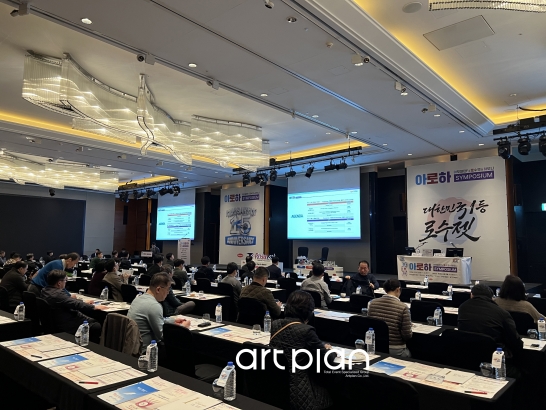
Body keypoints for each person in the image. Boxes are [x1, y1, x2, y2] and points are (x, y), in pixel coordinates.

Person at [270, 291, 333, 410]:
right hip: (300, 391)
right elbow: (327, 359)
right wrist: (329, 350)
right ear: (309, 312)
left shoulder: (275, 325)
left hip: (277, 385)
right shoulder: (307, 331)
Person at [128, 272, 190, 353]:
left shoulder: (138, 298)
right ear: (158, 289)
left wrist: (173, 321)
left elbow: (155, 320)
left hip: (133, 347)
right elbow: (164, 336)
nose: (168, 293)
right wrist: (183, 328)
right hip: (147, 351)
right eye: (168, 289)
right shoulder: (154, 305)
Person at [458, 284, 523, 358]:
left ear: (471, 295)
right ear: (492, 298)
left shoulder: (463, 307)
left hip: (466, 351)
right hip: (494, 355)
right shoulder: (501, 313)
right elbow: (514, 339)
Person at [41, 269, 106, 343]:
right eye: (65, 280)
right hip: (66, 323)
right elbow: (75, 304)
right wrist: (94, 307)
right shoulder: (58, 294)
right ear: (59, 283)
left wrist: (83, 302)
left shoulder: (45, 290)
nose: (66, 282)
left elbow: (69, 301)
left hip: (56, 320)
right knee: (96, 325)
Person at [368, 279, 412, 357]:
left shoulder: (372, 303)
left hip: (376, 346)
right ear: (398, 289)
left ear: (385, 290)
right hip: (396, 349)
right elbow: (407, 335)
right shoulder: (403, 307)